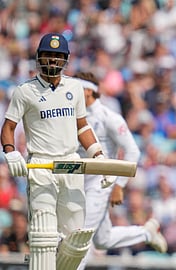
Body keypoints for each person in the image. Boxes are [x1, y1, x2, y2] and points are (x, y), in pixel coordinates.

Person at [0, 33, 104, 270]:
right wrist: (11, 151)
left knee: (77, 239)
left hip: (71, 165)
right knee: (43, 236)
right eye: (48, 55)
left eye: (58, 56)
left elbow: (82, 127)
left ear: (65, 59)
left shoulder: (75, 88)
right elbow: (8, 127)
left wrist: (98, 154)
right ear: (39, 58)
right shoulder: (25, 91)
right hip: (42, 167)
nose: (53, 61)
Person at [73, 72, 167, 270]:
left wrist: (119, 185)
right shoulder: (72, 116)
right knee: (102, 239)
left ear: (89, 91)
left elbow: (133, 152)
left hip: (101, 182)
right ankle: (146, 233)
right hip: (77, 182)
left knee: (80, 234)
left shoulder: (109, 117)